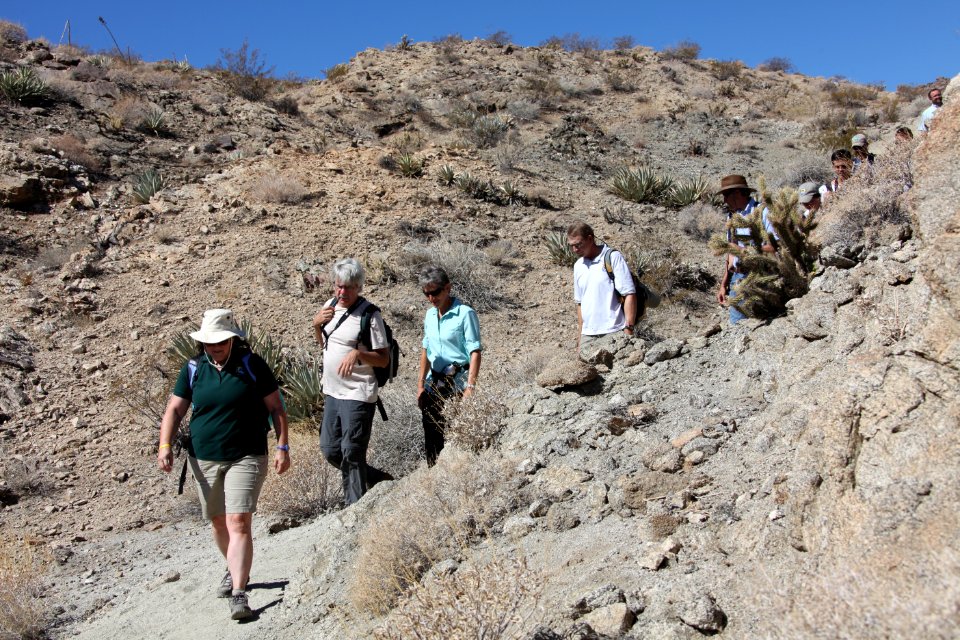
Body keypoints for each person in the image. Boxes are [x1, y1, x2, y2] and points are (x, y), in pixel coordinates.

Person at [157, 309, 290, 621]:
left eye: (220, 341)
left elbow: (276, 408)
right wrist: (165, 445)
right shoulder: (193, 368)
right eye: (209, 343)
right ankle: (233, 568)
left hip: (247, 454)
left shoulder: (251, 366)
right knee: (218, 522)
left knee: (238, 521)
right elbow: (175, 409)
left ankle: (240, 593)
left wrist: (283, 446)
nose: (214, 347)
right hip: (204, 457)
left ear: (232, 340)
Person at [312, 258, 388, 506]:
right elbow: (325, 345)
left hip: (358, 393)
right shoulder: (329, 307)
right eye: (338, 286)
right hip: (333, 392)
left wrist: (358, 354)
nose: (342, 292)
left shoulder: (370, 315)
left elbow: (383, 359)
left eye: (348, 287)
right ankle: (379, 481)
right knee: (330, 449)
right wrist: (316, 325)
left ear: (358, 287)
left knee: (351, 451)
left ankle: (354, 507)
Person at [416, 267, 482, 466]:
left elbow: (475, 351)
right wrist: (420, 385)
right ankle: (433, 472)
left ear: (448, 288)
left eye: (435, 292)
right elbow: (426, 349)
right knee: (432, 434)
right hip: (433, 383)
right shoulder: (429, 315)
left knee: (454, 432)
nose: (431, 298)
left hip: (457, 383)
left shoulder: (465, 314)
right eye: (426, 293)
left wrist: (470, 387)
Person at [567, 221, 637, 354]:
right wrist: (580, 339)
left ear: (590, 238)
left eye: (578, 244)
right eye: (571, 246)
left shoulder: (612, 257)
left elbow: (629, 293)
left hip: (613, 332)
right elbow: (580, 304)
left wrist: (628, 330)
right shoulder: (578, 266)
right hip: (588, 336)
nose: (575, 250)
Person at [715, 175, 776, 325]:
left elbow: (774, 247)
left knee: (754, 323)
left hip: (760, 275)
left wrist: (744, 251)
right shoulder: (732, 217)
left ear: (736, 193)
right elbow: (731, 255)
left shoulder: (762, 212)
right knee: (738, 324)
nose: (724, 200)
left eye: (726, 195)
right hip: (738, 277)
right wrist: (724, 285)